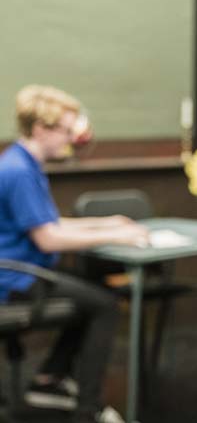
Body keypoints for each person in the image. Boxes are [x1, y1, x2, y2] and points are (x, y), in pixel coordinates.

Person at [0, 85, 149, 423]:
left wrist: (105, 223)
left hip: (24, 270)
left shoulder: (21, 161)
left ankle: (48, 379)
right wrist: (116, 235)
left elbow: (49, 223)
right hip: (15, 279)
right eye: (65, 131)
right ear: (41, 129)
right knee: (105, 305)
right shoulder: (20, 170)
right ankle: (89, 408)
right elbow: (49, 240)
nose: (69, 139)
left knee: (94, 292)